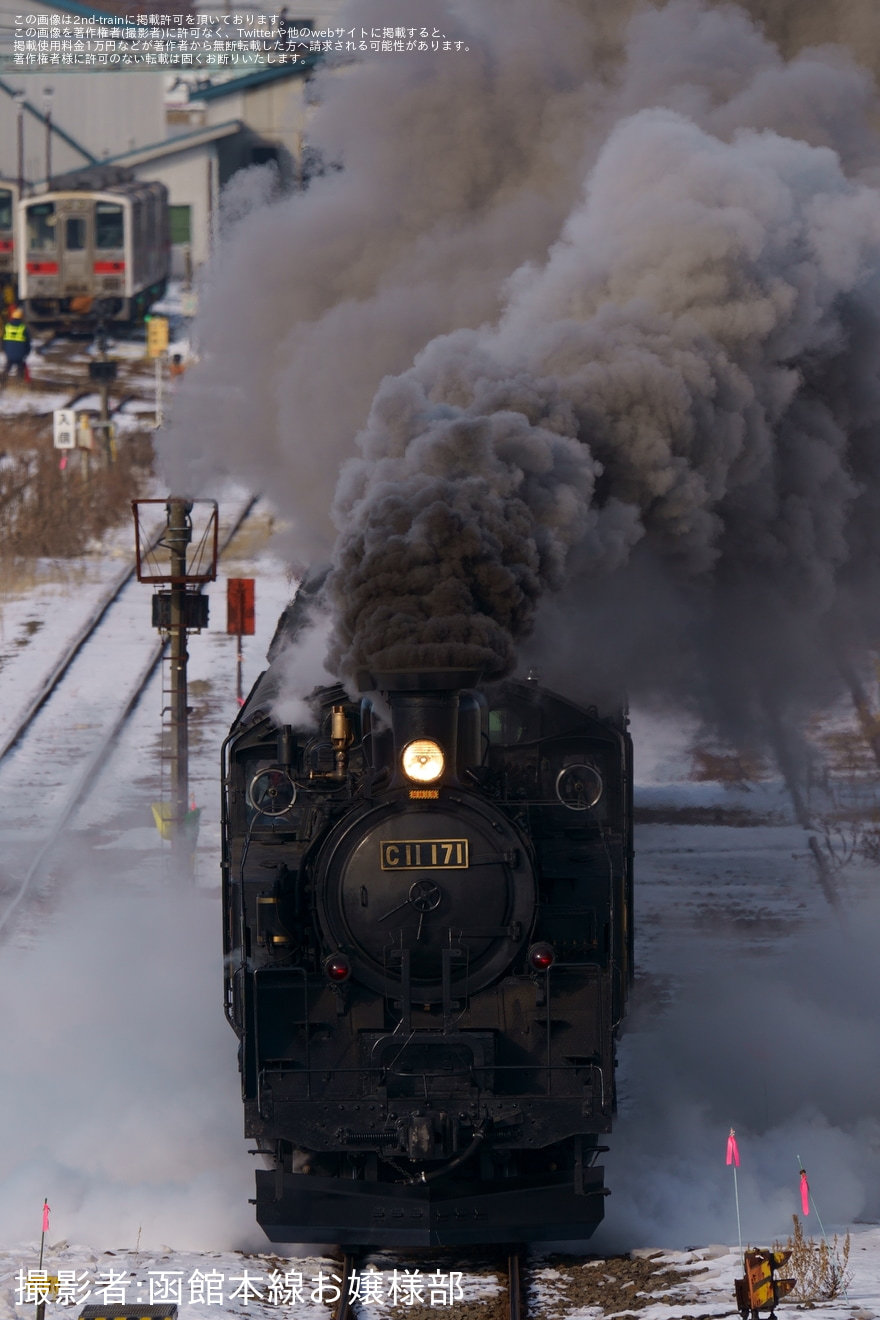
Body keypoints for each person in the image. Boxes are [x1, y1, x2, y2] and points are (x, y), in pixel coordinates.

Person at [2, 306, 30, 382]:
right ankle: (19, 381)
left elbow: (3, 341)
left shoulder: (7, 327)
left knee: (8, 366)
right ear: (21, 318)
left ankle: (2, 381)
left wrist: (6, 351)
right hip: (20, 354)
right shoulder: (23, 327)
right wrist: (27, 352)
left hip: (9, 353)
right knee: (20, 367)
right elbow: (27, 343)